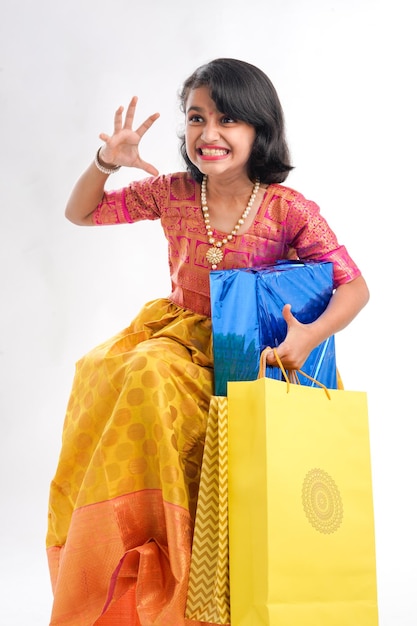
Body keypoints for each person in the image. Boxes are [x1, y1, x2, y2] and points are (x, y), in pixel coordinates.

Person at [46, 58, 369, 626]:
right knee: (117, 371)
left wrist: (310, 336)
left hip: (255, 354)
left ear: (259, 131)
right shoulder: (172, 193)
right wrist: (105, 162)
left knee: (151, 376)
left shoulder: (287, 208)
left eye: (229, 121)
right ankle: (147, 565)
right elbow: (81, 212)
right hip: (177, 340)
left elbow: (355, 287)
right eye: (197, 119)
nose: (209, 134)